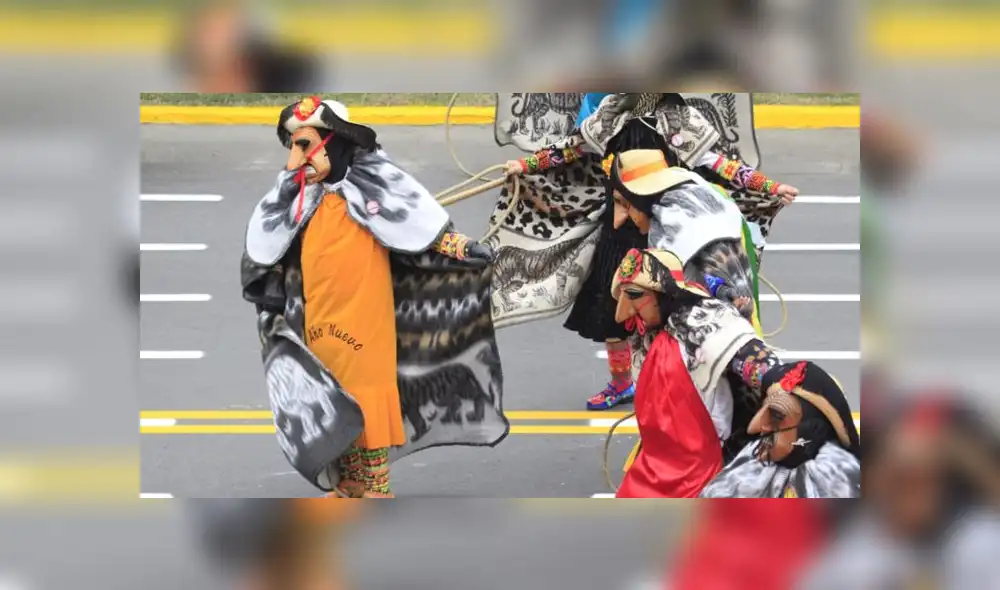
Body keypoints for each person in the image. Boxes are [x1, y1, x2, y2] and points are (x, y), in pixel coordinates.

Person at [240, 97, 506, 498]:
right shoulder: (297, 197)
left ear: (337, 141)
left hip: (367, 330)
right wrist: (271, 290)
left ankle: (376, 498)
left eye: (304, 145)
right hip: (319, 331)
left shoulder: (378, 189)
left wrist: (460, 247)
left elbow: (418, 233)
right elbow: (271, 250)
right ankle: (347, 496)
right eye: (291, 146)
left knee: (368, 415)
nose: (295, 161)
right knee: (336, 418)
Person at [494, 93, 797, 411]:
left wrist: (769, 187)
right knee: (614, 311)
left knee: (673, 316)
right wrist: (524, 164)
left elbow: (721, 165)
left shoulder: (681, 121)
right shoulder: (607, 118)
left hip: (662, 233)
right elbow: (569, 150)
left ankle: (674, 380)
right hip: (618, 230)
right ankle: (622, 384)